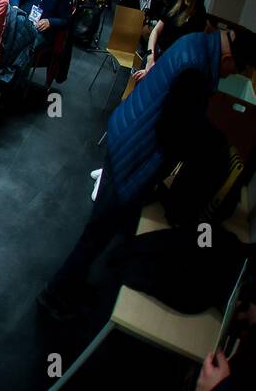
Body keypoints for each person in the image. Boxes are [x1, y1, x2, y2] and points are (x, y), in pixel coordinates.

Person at [39, 26, 255, 321]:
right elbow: (172, 133)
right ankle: (54, 295)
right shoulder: (197, 69)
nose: (230, 75)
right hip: (133, 152)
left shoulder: (197, 42)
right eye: (236, 70)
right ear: (229, 57)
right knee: (98, 231)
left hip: (126, 133)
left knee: (101, 228)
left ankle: (70, 285)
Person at [138, 0, 208, 78]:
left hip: (166, 69)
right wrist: (150, 57)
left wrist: (153, 68)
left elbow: (180, 55)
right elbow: (156, 31)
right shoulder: (176, 2)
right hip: (153, 57)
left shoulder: (199, 16)